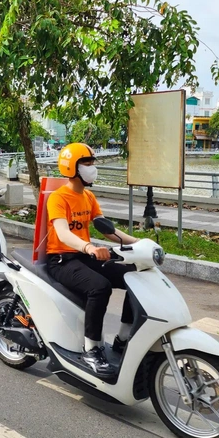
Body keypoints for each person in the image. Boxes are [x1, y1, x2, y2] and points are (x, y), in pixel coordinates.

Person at [45, 143, 139, 375]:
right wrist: (89, 247)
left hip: (83, 256)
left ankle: (123, 338)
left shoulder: (88, 196)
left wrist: (139, 243)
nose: (92, 167)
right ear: (72, 167)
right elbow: (63, 233)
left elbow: (107, 229)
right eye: (87, 163)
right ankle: (92, 350)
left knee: (134, 276)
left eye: (92, 162)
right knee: (100, 287)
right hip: (61, 260)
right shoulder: (59, 198)